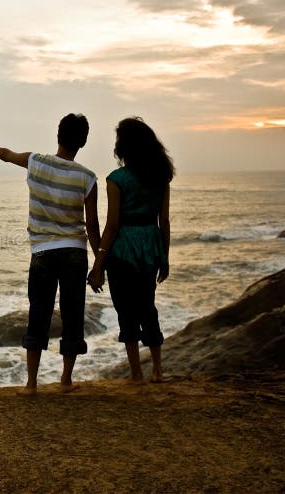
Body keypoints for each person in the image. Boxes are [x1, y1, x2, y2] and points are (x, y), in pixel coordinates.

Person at [0, 113, 100, 394]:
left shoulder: (37, 162)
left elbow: (6, 154)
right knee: (73, 314)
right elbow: (92, 225)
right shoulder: (87, 178)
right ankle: (65, 380)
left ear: (58, 136)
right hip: (75, 252)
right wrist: (100, 262)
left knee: (39, 313)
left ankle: (31, 384)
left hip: (43, 252)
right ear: (83, 142)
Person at [87, 117, 174, 383]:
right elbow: (164, 221)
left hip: (123, 248)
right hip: (149, 246)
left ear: (123, 146)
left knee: (126, 310)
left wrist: (98, 263)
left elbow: (112, 225)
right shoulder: (161, 176)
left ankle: (136, 373)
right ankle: (158, 370)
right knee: (148, 306)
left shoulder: (117, 179)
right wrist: (164, 257)